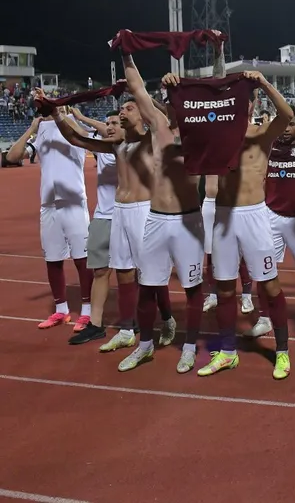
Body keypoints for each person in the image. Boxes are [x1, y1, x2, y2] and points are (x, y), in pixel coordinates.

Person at [40, 94, 177, 352]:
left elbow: (172, 120)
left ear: (142, 114)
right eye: (121, 109)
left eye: (129, 108)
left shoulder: (152, 140)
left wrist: (150, 99)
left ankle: (167, 318)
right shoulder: (117, 145)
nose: (122, 112)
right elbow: (77, 138)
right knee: (123, 272)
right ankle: (126, 331)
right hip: (119, 211)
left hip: (144, 212)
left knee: (150, 274)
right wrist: (56, 114)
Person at [191, 71, 295, 380]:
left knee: (270, 285)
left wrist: (263, 82)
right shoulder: (214, 132)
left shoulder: (260, 133)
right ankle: (228, 352)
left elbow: (287, 115)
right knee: (224, 287)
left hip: (254, 216)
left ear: (251, 104)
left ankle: (282, 352)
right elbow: (180, 116)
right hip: (223, 215)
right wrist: (175, 89)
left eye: (241, 101)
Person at [114, 55, 210, 374]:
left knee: (193, 287)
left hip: (188, 220)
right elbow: (136, 86)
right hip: (156, 218)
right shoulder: (157, 125)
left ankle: (189, 347)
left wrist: (218, 54)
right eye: (170, 99)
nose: (173, 104)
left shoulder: (200, 130)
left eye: (178, 99)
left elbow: (218, 89)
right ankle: (144, 346)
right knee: (147, 285)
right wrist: (127, 53)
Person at [6, 108, 94, 331]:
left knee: (82, 258)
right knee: (53, 259)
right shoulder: (42, 131)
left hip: (74, 202)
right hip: (49, 205)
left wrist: (60, 116)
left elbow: (85, 138)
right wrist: (32, 129)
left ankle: (87, 311)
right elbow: (12, 157)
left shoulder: (73, 125)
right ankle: (61, 310)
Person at [262, 103, 295, 336]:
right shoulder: (268, 147)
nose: (286, 128)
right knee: (265, 268)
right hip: (270, 216)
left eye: (292, 124)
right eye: (283, 123)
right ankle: (264, 316)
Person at [69, 110, 121, 345]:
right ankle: (96, 324)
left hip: (129, 215)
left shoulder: (132, 146)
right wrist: (63, 116)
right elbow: (78, 135)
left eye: (114, 123)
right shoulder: (101, 148)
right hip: (103, 217)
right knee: (100, 271)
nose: (109, 126)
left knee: (133, 274)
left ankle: (135, 319)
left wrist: (84, 118)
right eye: (107, 123)